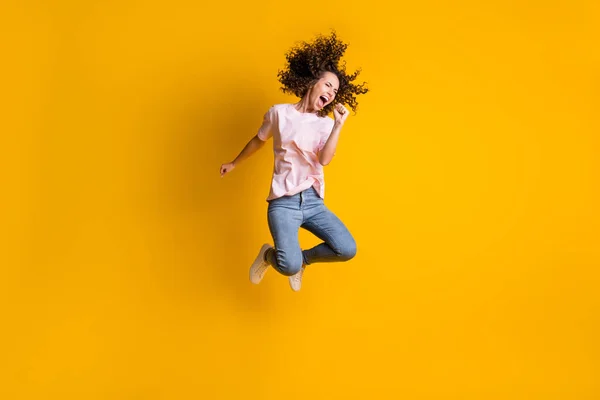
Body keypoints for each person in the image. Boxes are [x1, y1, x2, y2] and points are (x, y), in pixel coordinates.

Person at [219, 32, 368, 291]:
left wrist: (338, 127)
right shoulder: (279, 114)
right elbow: (259, 140)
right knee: (286, 265)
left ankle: (303, 261)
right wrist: (234, 163)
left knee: (346, 249)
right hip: (283, 203)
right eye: (328, 85)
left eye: (335, 90)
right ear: (312, 82)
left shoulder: (326, 124)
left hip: (312, 201)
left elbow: (325, 159)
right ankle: (269, 256)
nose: (332, 92)